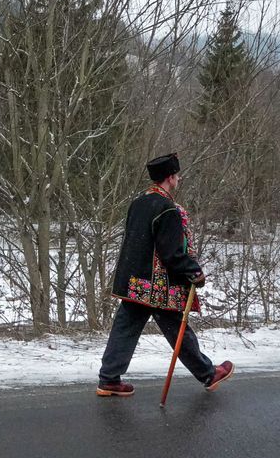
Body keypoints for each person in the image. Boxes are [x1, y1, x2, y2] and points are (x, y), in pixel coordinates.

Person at [96, 152, 233, 397]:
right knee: (178, 330)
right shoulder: (168, 208)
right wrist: (194, 273)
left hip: (134, 281)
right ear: (170, 177)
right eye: (177, 175)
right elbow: (171, 252)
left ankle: (109, 378)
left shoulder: (138, 202)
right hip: (159, 286)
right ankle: (208, 374)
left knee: (125, 328)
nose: (178, 179)